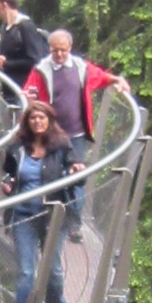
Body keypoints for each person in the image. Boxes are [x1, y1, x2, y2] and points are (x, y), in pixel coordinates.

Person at [0, 90, 80, 303]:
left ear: (49, 120)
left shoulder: (62, 146)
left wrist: (74, 171)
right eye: (33, 118)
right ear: (27, 122)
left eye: (42, 118)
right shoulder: (17, 148)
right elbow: (10, 174)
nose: (37, 122)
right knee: (25, 270)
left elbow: (75, 173)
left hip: (53, 216)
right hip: (23, 214)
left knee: (51, 267)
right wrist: (8, 183)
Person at [42, 26, 96, 227]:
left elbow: (99, 76)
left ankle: (74, 223)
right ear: (49, 49)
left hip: (76, 134)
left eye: (63, 50)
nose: (59, 54)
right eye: (55, 50)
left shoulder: (80, 67)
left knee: (76, 176)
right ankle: (52, 218)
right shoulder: (43, 70)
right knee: (51, 174)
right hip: (52, 134)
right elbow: (29, 91)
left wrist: (115, 80)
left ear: (70, 48)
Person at [0, 0, 48, 110]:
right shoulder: (5, 28)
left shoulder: (25, 27)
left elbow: (35, 60)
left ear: (4, 5)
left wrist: (7, 64)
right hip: (8, 93)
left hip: (24, 92)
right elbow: (8, 58)